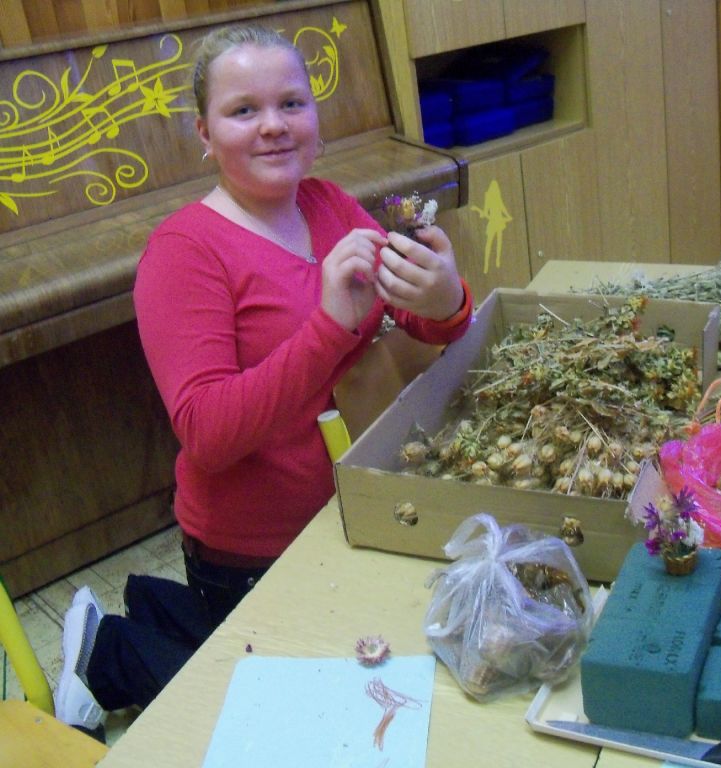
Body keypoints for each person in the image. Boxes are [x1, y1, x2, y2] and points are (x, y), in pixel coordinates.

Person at [55, 22, 472, 735]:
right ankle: (112, 651)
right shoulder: (183, 253)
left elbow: (420, 321)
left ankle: (165, 611)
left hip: (354, 508)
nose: (273, 125)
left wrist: (444, 298)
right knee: (298, 729)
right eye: (243, 110)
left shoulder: (328, 203)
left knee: (383, 675)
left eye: (291, 103)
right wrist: (328, 326)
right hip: (255, 549)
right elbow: (207, 433)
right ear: (205, 133)